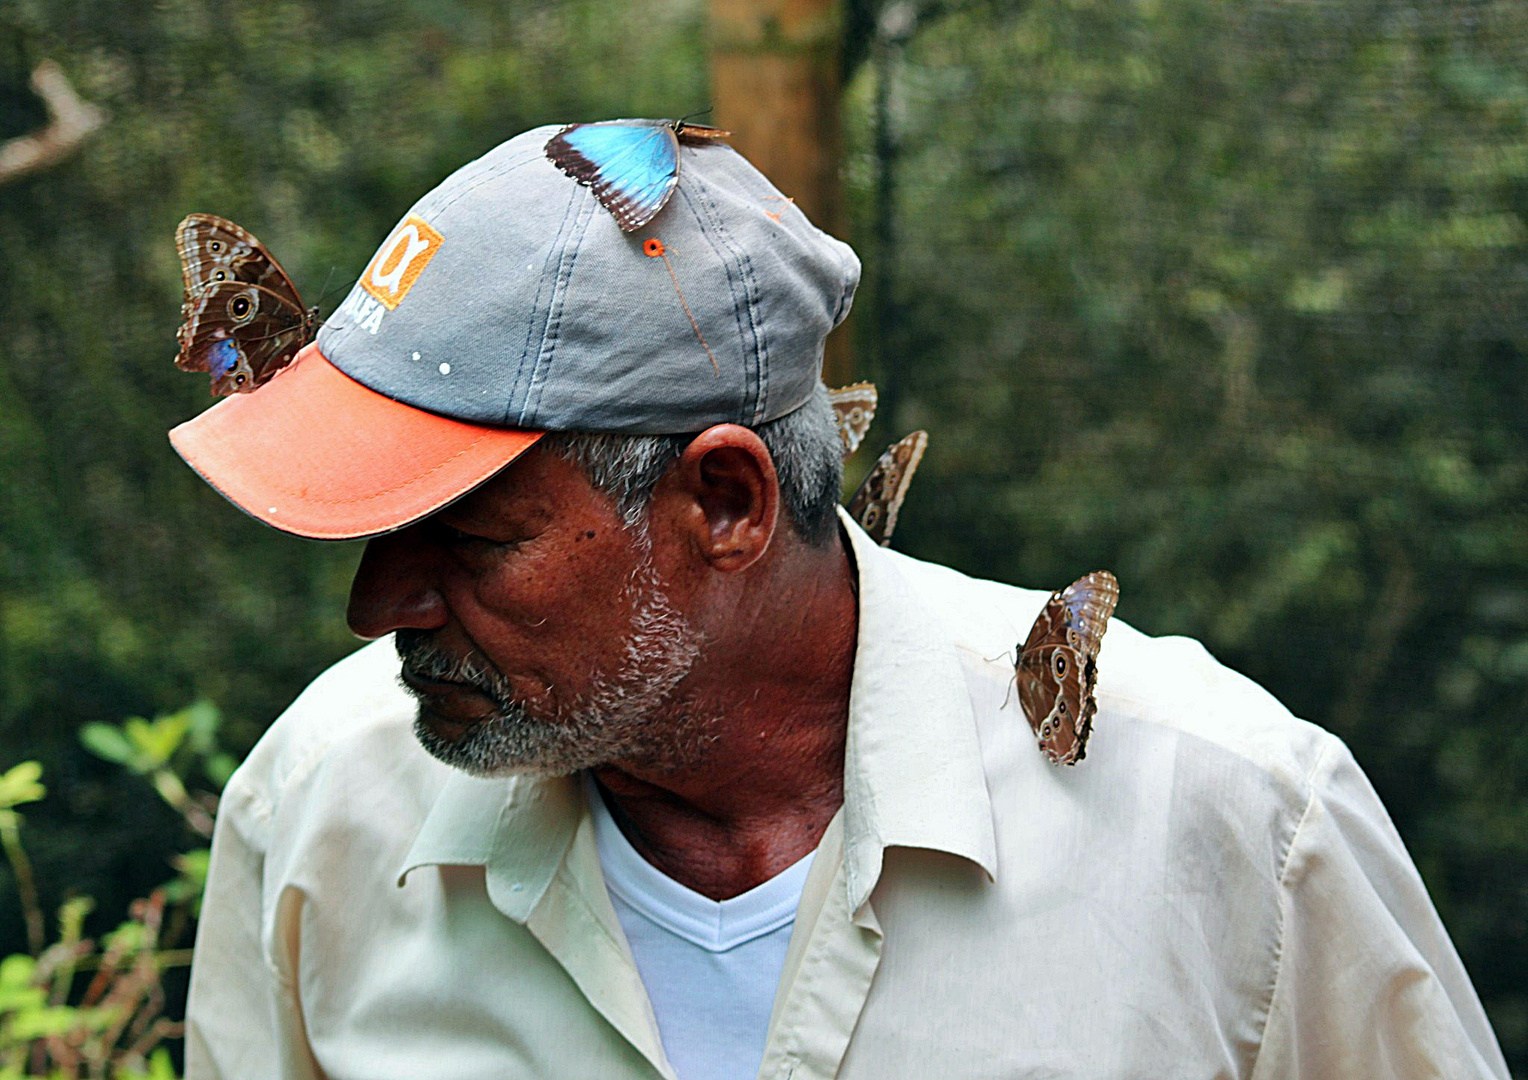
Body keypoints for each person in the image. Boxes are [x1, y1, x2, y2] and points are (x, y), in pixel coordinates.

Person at [173, 123, 1509, 1080]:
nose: (377, 606)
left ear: (728, 506)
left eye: (467, 540)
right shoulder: (320, 810)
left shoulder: (1227, 822)